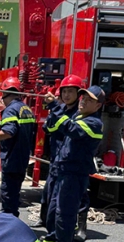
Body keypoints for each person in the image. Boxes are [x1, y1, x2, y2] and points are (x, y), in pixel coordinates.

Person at [42, 86, 104, 242]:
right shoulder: (78, 116)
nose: (83, 101)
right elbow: (53, 127)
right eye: (83, 97)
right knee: (53, 210)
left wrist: (55, 104)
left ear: (98, 106)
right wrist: (54, 108)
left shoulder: (94, 123)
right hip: (61, 170)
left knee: (65, 213)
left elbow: (70, 128)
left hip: (74, 174)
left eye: (89, 100)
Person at [0, 76, 37, 217]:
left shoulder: (11, 110)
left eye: (2, 94)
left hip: (12, 158)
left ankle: (9, 224)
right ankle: (12, 221)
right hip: (22, 158)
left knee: (8, 194)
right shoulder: (26, 109)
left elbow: (8, 132)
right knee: (15, 192)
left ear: (6, 93)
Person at [37, 75, 83, 229]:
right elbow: (49, 129)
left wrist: (55, 108)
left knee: (71, 199)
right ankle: (46, 222)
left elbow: (68, 129)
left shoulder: (80, 114)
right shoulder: (60, 109)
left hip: (71, 163)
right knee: (48, 193)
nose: (67, 95)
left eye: (70, 91)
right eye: (64, 92)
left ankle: (78, 227)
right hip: (56, 159)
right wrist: (53, 112)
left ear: (78, 94)